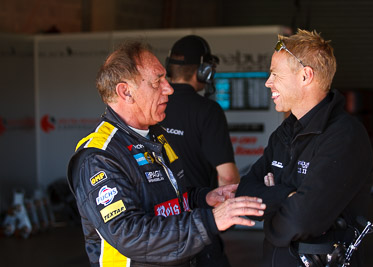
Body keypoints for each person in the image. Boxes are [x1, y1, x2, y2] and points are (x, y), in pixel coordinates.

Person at [67, 41, 266, 267]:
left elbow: (169, 199)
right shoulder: (99, 157)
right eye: (156, 82)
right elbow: (130, 234)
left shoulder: (155, 135)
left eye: (165, 78)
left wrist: (203, 198)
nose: (169, 88)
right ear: (126, 92)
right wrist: (210, 221)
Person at [236, 29, 373, 267]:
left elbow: (301, 221)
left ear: (305, 76)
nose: (268, 82)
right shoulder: (283, 133)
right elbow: (243, 196)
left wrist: (269, 214)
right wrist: (285, 196)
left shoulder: (344, 137)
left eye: (275, 74)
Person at [160, 35, 240, 266]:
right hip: (199, 222)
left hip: (158, 224)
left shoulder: (153, 106)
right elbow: (227, 176)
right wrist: (228, 215)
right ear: (204, 71)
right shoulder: (208, 111)